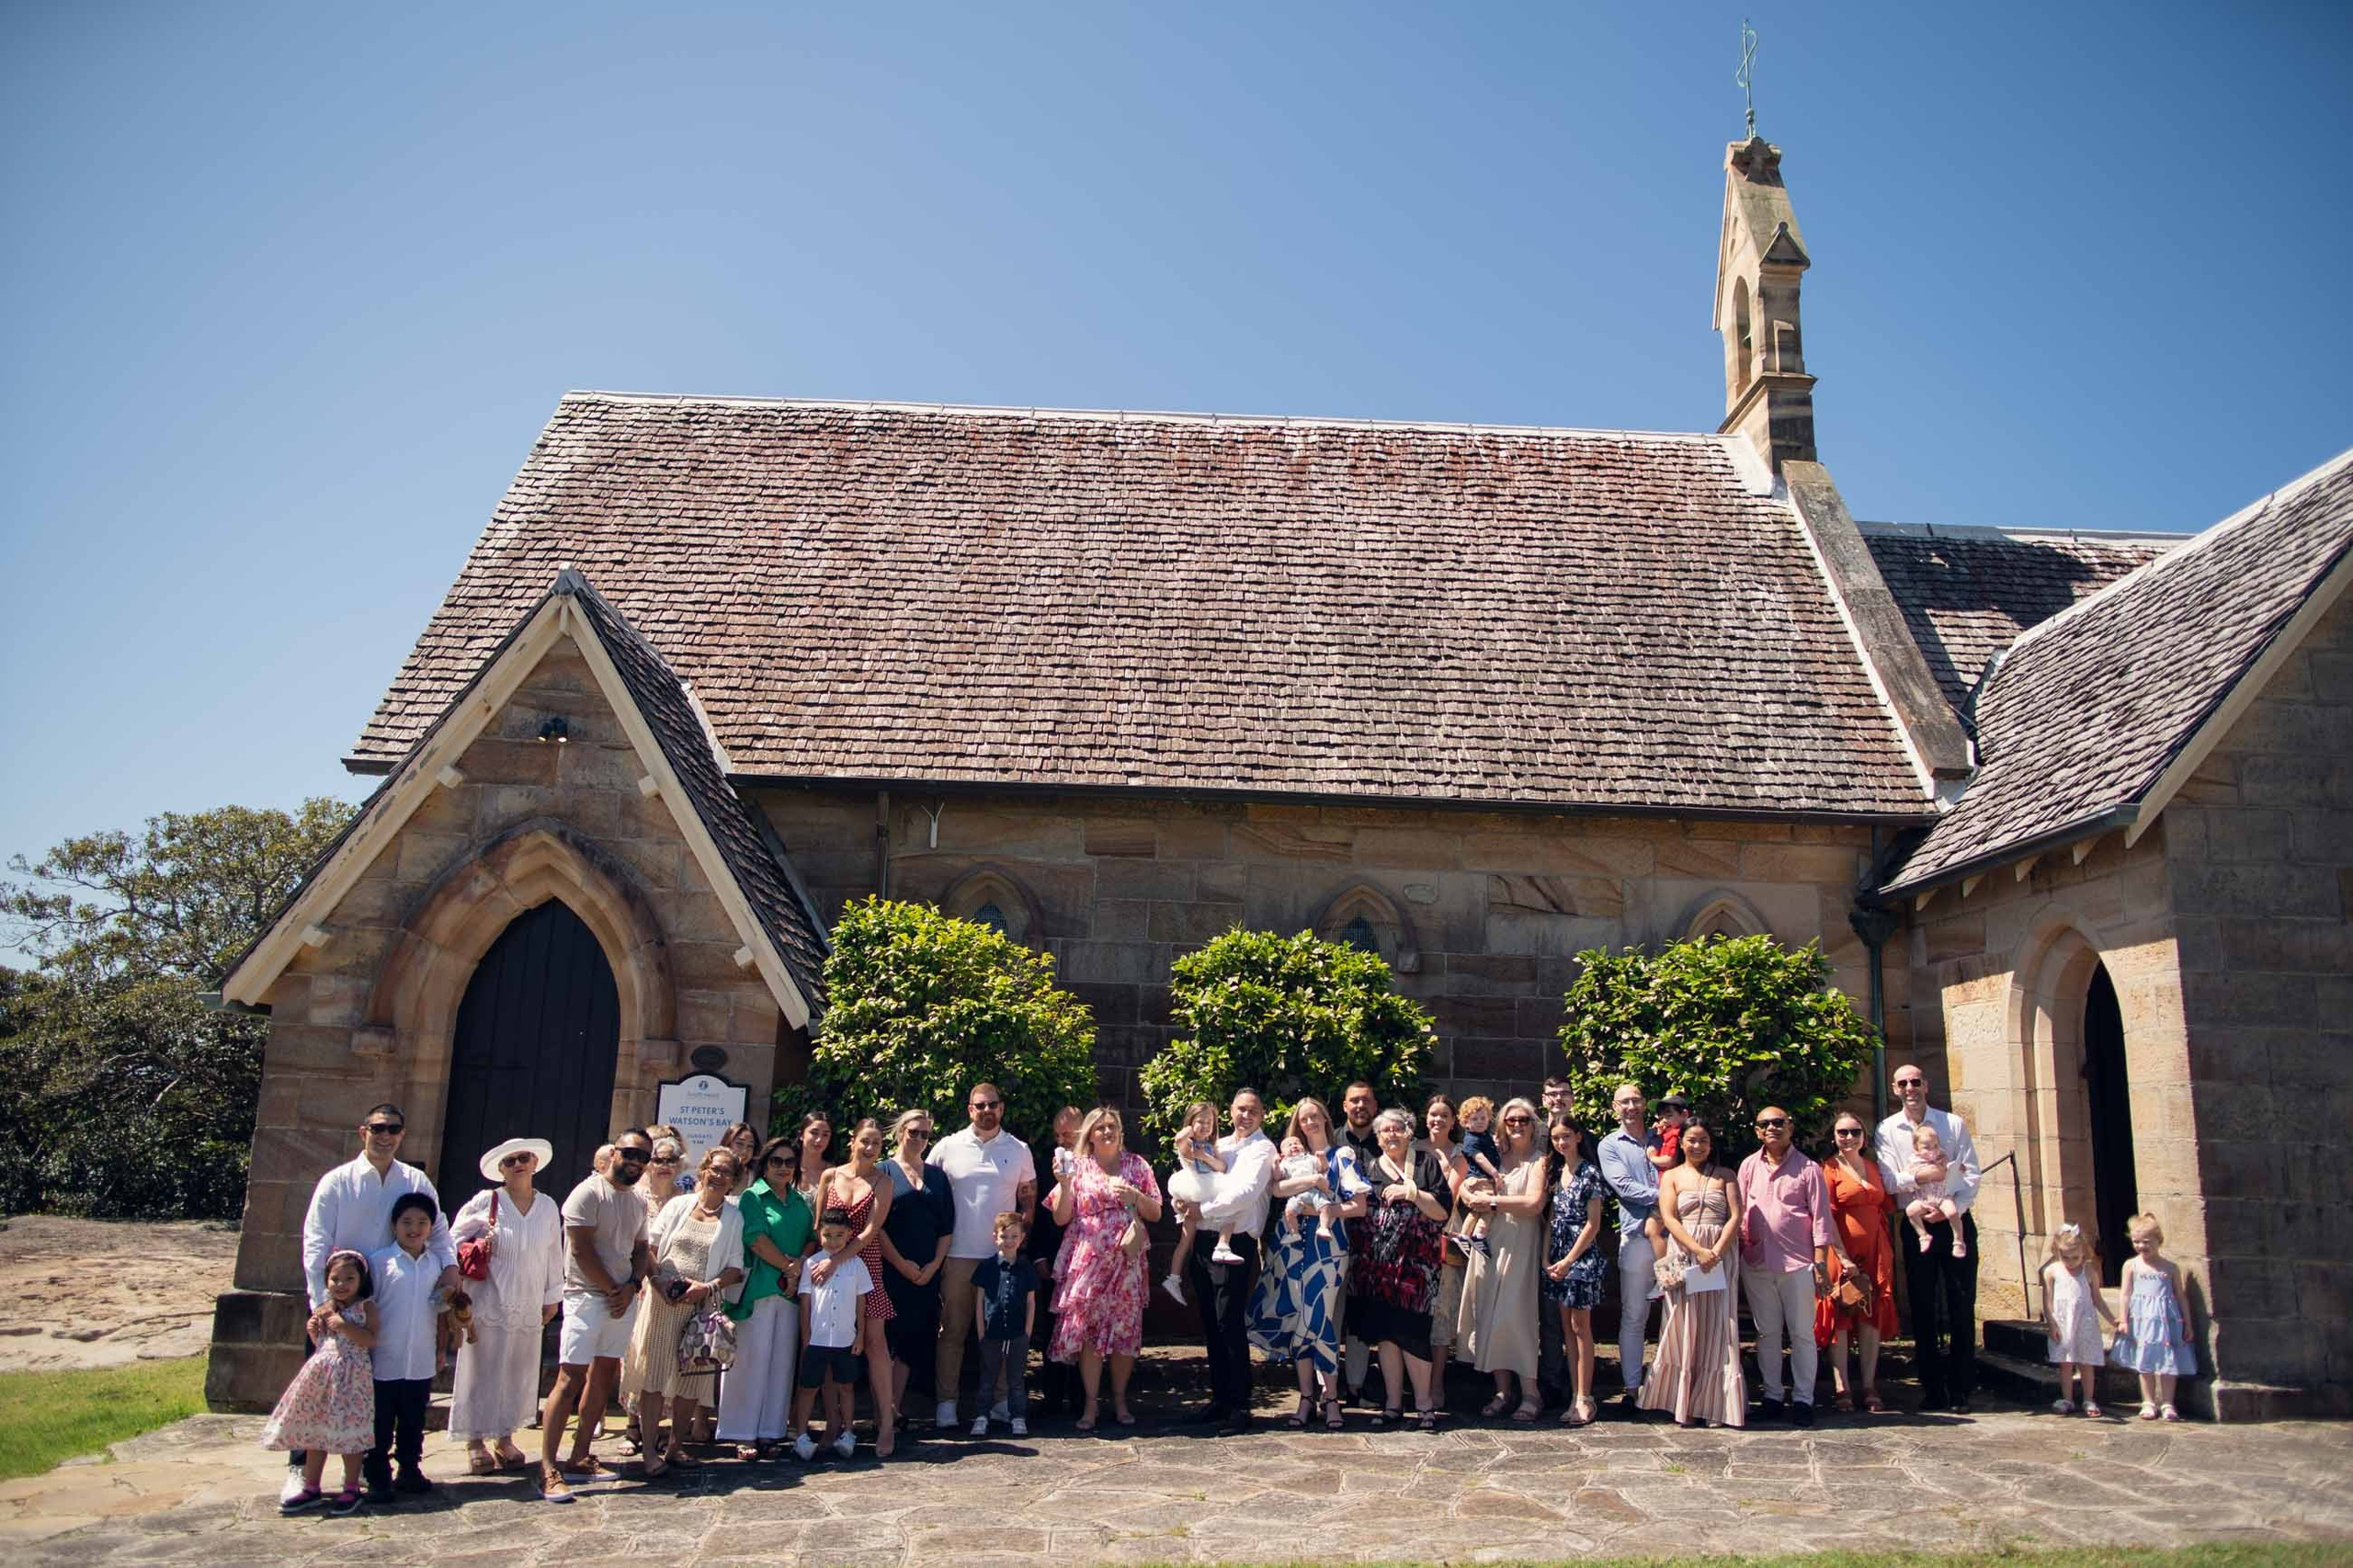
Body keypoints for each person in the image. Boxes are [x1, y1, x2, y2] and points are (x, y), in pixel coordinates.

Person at [289, 1104, 458, 1498]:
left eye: (393, 1129)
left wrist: (450, 1270)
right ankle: (301, 1469)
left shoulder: (415, 1181)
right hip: (340, 1303)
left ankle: (371, 1467)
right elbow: (316, 1241)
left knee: (376, 1397)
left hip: (393, 1305)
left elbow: (438, 1231)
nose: (385, 1136)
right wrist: (322, 1301)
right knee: (318, 1392)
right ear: (363, 1130)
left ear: (402, 1135)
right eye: (378, 1128)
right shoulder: (337, 1182)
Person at [540, 1128, 655, 1504]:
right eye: (630, 1153)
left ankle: (580, 1455)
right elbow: (581, 1249)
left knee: (604, 1374)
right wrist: (612, 1289)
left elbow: (641, 1249)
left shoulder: (637, 1201)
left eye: (643, 1157)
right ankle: (548, 1467)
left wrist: (632, 1285)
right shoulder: (588, 1193)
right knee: (569, 1377)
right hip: (586, 1296)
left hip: (622, 1297)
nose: (635, 1162)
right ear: (614, 1152)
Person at [1248, 1096, 1370, 1431]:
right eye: (1304, 1119)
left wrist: (1319, 1210)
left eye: (1315, 1116)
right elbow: (1276, 1190)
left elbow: (1359, 1206)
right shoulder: (1291, 1157)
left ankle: (1330, 1397)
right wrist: (1310, 1185)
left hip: (1328, 1247)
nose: (1310, 1123)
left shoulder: (1341, 1156)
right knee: (1299, 1317)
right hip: (1291, 1245)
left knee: (1321, 1315)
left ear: (1326, 1118)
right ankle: (1305, 1397)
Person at [625, 1148, 745, 1476]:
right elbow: (649, 1249)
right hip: (662, 1303)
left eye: (727, 1173)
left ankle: (676, 1446)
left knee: (690, 1380)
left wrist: (708, 1288)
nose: (719, 1176)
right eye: (714, 1169)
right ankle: (649, 1451)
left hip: (700, 1307)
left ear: (733, 1181)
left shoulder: (734, 1218)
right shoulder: (678, 1206)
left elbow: (735, 1267)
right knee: (653, 1376)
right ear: (703, 1170)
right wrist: (658, 1283)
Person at [449, 1137, 563, 1473]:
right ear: (500, 1169)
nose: (518, 1165)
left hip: (528, 1300)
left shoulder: (547, 1206)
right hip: (490, 1300)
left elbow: (553, 1252)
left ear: (535, 1163)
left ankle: (505, 1436)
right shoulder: (487, 1201)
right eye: (510, 1161)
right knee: (481, 1369)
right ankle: (474, 1440)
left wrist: (552, 1296)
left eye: (523, 1158)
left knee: (517, 1369)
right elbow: (451, 1239)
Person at [929, 1083, 1037, 1429]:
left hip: (1001, 1259)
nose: (987, 1110)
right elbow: (928, 1193)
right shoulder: (947, 1147)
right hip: (958, 1254)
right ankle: (947, 1402)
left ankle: (1001, 1401)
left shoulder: (1019, 1150)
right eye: (980, 1105)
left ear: (1002, 1108)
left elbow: (1028, 1201)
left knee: (1002, 1332)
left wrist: (1018, 1248)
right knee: (953, 1331)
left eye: (993, 1105)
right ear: (969, 1109)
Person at [1875, 1064, 1983, 1412]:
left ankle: (1961, 1387)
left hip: (1954, 1221)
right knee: (1922, 1306)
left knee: (1961, 1303)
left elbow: (1971, 1174)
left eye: (1916, 1082)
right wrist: (1929, 1175)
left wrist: (1953, 1210)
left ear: (1926, 1085)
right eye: (1903, 1083)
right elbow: (1890, 1181)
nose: (1910, 1088)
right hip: (1917, 1222)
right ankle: (1933, 1388)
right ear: (1894, 1089)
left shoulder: (1952, 1124)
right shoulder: (1887, 1129)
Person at [1048, 1105, 1164, 1429]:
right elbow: (1060, 1218)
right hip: (1089, 1261)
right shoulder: (1077, 1166)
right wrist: (1064, 1184)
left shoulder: (1137, 1165)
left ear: (1120, 1131)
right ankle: (1090, 1405)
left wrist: (1135, 1195)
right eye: (1100, 1127)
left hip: (1126, 1261)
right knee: (1090, 1333)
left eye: (1112, 1126)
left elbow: (1156, 1213)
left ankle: (1121, 1401)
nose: (1107, 1131)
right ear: (1090, 1135)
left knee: (1125, 1332)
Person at [1638, 1121, 1747, 1429]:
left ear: (1711, 1144)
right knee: (1683, 1321)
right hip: (1685, 1252)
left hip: (1719, 1254)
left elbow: (1735, 1215)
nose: (1697, 1146)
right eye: (1691, 1140)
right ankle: (1683, 1402)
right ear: (1682, 1143)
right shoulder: (1672, 1176)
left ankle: (1715, 1404)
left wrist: (1716, 1250)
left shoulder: (1726, 1175)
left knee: (1719, 1324)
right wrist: (1697, 1250)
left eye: (1703, 1140)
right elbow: (1669, 1217)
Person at [1182, 1087, 1279, 1433]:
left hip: (1235, 1243)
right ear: (1231, 1111)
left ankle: (1240, 1405)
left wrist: (1203, 1209)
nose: (1245, 1115)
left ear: (1262, 1115)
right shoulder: (1220, 1146)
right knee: (1211, 1321)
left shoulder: (1263, 1149)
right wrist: (1185, 1201)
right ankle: (1221, 1399)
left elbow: (1245, 1193)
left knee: (1229, 1322)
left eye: (1252, 1110)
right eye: (1240, 1109)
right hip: (1205, 1239)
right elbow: (1198, 1178)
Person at [1737, 1105, 1841, 1426]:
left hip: (1797, 1263)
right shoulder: (1748, 1166)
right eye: (1765, 1123)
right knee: (1767, 1333)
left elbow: (1821, 1219)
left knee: (1802, 1334)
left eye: (1778, 1122)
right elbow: (1739, 1211)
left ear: (1790, 1127)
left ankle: (1803, 1400)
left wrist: (1820, 1263)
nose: (1772, 1128)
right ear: (1757, 1131)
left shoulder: (1808, 1169)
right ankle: (1772, 1396)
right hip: (1757, 1261)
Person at [1350, 1107, 1449, 1432]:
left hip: (1416, 1269)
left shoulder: (1425, 1165)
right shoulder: (1369, 1168)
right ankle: (1393, 1405)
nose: (1391, 1135)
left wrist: (1413, 1193)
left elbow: (1442, 1212)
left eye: (1397, 1129)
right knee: (1386, 1336)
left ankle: (1424, 1406)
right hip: (1377, 1268)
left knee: (1413, 1334)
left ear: (1408, 1132)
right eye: (1385, 1130)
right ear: (1377, 1137)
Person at [1453, 1097, 1547, 1422]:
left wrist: (1492, 1202)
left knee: (1517, 1315)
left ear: (1533, 1124)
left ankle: (1531, 1392)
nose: (1517, 1125)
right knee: (1489, 1313)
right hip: (1488, 1243)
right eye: (1510, 1120)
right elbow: (1465, 1182)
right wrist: (1468, 1193)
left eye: (1523, 1120)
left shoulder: (1539, 1161)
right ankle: (1503, 1391)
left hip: (1520, 1244)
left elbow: (1534, 1203)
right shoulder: (1494, 1156)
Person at [719, 1135, 813, 1459]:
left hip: (789, 1292)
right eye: (777, 1161)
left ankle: (770, 1432)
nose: (783, 1167)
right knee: (750, 1362)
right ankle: (742, 1432)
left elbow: (811, 1237)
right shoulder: (752, 1196)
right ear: (765, 1164)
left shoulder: (800, 1200)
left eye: (789, 1162)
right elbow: (755, 1238)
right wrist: (790, 1268)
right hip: (759, 1288)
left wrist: (799, 1266)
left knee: (780, 1364)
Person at [810, 1119, 900, 1457]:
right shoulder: (830, 1176)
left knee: (875, 1343)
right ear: (853, 1140)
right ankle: (833, 1423)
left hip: (865, 1263)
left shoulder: (883, 1183)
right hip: (828, 1262)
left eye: (877, 1143)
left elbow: (869, 1232)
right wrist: (822, 1262)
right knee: (828, 1340)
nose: (870, 1148)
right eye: (865, 1141)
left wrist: (837, 1260)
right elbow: (818, 1225)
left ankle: (886, 1424)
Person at [262, 1249, 374, 1516]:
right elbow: (324, 1344)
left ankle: (351, 1487)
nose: (341, 1285)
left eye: (349, 1279)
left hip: (351, 1379)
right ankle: (311, 1486)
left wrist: (344, 1325)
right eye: (335, 1279)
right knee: (316, 1431)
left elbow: (370, 1340)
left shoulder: (365, 1307)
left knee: (350, 1435)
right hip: (322, 1378)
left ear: (361, 1280)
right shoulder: (325, 1309)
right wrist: (315, 1332)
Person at [1813, 1111, 1899, 1415]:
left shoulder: (1873, 1167)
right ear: (1833, 1137)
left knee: (1870, 1316)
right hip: (1841, 1252)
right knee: (1841, 1314)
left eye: (1855, 1132)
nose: (1849, 1137)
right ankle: (1842, 1386)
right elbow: (1826, 1216)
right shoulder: (1828, 1169)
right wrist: (1843, 1257)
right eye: (1842, 1132)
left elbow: (1887, 1205)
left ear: (1864, 1136)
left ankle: (1869, 1384)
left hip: (1875, 1251)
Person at [365, 1194, 445, 1502]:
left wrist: (441, 1348)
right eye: (407, 1222)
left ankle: (409, 1468)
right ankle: (377, 1474)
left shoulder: (436, 1263)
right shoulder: (379, 1262)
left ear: (431, 1227)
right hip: (385, 1357)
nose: (414, 1229)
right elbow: (368, 1307)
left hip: (420, 1357)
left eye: (422, 1222)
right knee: (381, 1420)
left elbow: (441, 1311)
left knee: (413, 1418)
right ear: (394, 1225)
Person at [879, 1108, 954, 1427]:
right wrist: (900, 1264)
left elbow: (947, 1227)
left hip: (926, 1274)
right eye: (913, 1132)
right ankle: (883, 1410)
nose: (919, 1138)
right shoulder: (883, 1171)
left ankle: (894, 1408)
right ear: (900, 1133)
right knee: (886, 1341)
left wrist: (934, 1265)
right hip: (890, 1271)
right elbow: (876, 1226)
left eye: (925, 1134)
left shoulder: (937, 1176)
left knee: (911, 1342)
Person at [790, 1207, 872, 1461]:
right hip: (817, 1337)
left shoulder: (856, 1264)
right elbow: (806, 1302)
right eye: (828, 1235)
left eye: (839, 1235)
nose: (833, 1241)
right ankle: (801, 1435)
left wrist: (860, 1335)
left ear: (849, 1234)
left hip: (845, 1338)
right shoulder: (811, 1264)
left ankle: (848, 1433)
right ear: (819, 1234)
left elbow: (861, 1302)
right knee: (809, 1387)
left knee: (845, 1386)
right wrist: (806, 1337)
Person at [1598, 1083, 1662, 1409]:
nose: (1631, 1106)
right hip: (1636, 1237)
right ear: (1615, 1107)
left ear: (1645, 1104)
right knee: (1634, 1315)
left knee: (1677, 1315)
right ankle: (1632, 1387)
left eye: (1636, 1100)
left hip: (1675, 1237)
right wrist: (1670, 1198)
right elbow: (1623, 1187)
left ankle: (1670, 1388)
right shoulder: (1610, 1145)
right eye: (1624, 1101)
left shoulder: (1663, 1137)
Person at [1542, 1111, 1608, 1427]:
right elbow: (1551, 1220)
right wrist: (1546, 1258)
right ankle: (1574, 1396)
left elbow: (1593, 1224)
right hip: (1557, 1256)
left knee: (1581, 1327)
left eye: (1566, 1136)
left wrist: (1569, 1260)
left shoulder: (1590, 1173)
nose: (1561, 1142)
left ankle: (1585, 1396)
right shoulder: (1557, 1173)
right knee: (1567, 1329)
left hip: (1580, 1256)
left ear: (1578, 1137)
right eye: (1556, 1138)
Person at [1027, 1106, 1085, 1419]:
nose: (1062, 1140)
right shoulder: (1046, 1163)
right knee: (1052, 1329)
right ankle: (1052, 1397)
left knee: (1083, 1330)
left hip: (1088, 1259)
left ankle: (1081, 1398)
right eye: (1058, 1135)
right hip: (1053, 1257)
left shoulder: (1099, 1162)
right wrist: (1038, 1254)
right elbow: (1036, 1212)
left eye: (1068, 1134)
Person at [2111, 1213, 2195, 1421]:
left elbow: (2180, 1296)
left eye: (2146, 1242)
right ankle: (2148, 1401)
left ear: (2159, 1240)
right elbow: (2125, 1293)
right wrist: (2123, 1318)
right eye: (2136, 1242)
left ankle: (2168, 1402)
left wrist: (2188, 1324)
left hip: (2166, 1321)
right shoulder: (2131, 1265)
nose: (2141, 1246)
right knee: (2145, 1360)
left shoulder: (2170, 1268)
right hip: (2142, 1321)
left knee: (2168, 1361)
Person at [1162, 1099, 1238, 1305]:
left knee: (1231, 1212)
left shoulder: (1210, 1147)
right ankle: (1173, 1278)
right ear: (1191, 1123)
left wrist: (1206, 1156)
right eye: (1200, 1122)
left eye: (1209, 1123)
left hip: (1211, 1187)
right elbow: (1179, 1138)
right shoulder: (1188, 1146)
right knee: (1186, 1240)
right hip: (1195, 1189)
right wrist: (1190, 1131)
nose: (1205, 1126)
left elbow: (1221, 1167)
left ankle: (1223, 1245)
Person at [1420, 1094, 1471, 1401]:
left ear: (1453, 1122)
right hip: (1412, 1237)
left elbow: (1446, 1199)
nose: (1437, 1120)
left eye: (1444, 1115)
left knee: (1442, 1311)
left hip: (1446, 1237)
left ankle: (1436, 1383)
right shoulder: (1412, 1149)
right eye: (1433, 1114)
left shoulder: (1461, 1154)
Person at [971, 1210, 1040, 1437]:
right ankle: (982, 1416)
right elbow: (980, 1301)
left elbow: (1031, 1301)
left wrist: (1027, 1332)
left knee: (1016, 1379)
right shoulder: (986, 1267)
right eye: (1004, 1236)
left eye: (1014, 1236)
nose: (1009, 1241)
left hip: (1018, 1333)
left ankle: (1018, 1416)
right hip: (992, 1332)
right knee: (988, 1377)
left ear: (1021, 1238)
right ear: (995, 1237)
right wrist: (981, 1331)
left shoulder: (1026, 1268)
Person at [2041, 1222, 2117, 1417]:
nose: (2070, 1261)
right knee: (2066, 1363)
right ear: (2057, 1251)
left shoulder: (2089, 1271)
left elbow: (2097, 1299)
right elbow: (2048, 1301)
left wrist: (2113, 1320)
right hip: (2063, 1323)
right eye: (2065, 1257)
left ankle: (2088, 1399)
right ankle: (2067, 1398)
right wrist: (2051, 1324)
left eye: (2075, 1257)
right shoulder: (2052, 1271)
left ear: (2083, 1252)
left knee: (2086, 1362)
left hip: (2085, 1322)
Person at [1902, 1122, 1966, 1256]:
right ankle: (1923, 1235)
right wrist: (1922, 1174)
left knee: (1953, 1212)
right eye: (1926, 1147)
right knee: (1910, 1211)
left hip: (1942, 1196)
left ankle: (1959, 1240)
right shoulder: (1913, 1161)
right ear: (1916, 1148)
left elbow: (1951, 1168)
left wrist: (1958, 1168)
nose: (1932, 1150)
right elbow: (1907, 1178)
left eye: (1935, 1146)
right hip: (1923, 1198)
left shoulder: (1942, 1158)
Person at [1451, 1096, 1502, 1255]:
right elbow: (1479, 1158)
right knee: (1490, 1207)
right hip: (1480, 1179)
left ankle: (1464, 1236)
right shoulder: (1471, 1140)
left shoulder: (1484, 1136)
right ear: (1465, 1122)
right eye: (1475, 1119)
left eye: (1483, 1118)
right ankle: (1479, 1235)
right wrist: (1495, 1174)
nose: (1480, 1122)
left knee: (1477, 1211)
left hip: (1478, 1180)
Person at [794, 1113, 835, 1210]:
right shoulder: (787, 1166)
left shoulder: (834, 1174)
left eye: (825, 1135)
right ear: (801, 1135)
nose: (819, 1139)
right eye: (814, 1133)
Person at [1647, 1094, 1690, 1173]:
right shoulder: (1669, 1132)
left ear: (1684, 1115)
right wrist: (1658, 1134)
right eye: (1661, 1118)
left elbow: (1669, 1160)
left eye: (1669, 1115)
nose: (1664, 1120)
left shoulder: (1675, 1135)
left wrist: (1652, 1157)